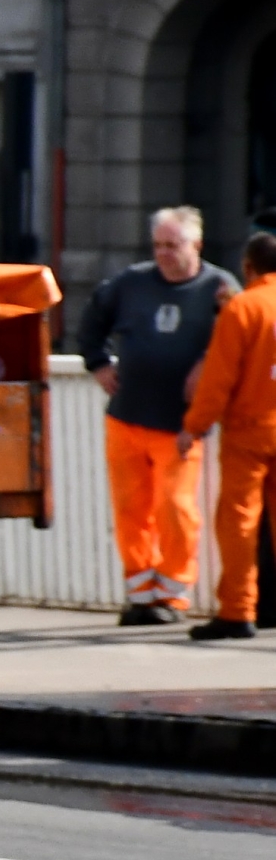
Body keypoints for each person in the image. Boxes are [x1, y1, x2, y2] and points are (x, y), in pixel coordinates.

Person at [78, 206, 240, 624]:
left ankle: (172, 594)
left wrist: (208, 361)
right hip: (127, 415)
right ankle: (140, 594)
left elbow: (238, 339)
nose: (165, 254)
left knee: (175, 507)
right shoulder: (130, 283)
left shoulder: (219, 287)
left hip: (180, 424)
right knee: (131, 509)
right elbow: (91, 321)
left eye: (174, 245)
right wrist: (98, 362)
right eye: (159, 245)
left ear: (196, 245)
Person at [177, 230, 276, 640]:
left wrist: (194, 427)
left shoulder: (244, 308)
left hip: (249, 433)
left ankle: (238, 610)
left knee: (238, 523)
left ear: (248, 267)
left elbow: (218, 381)